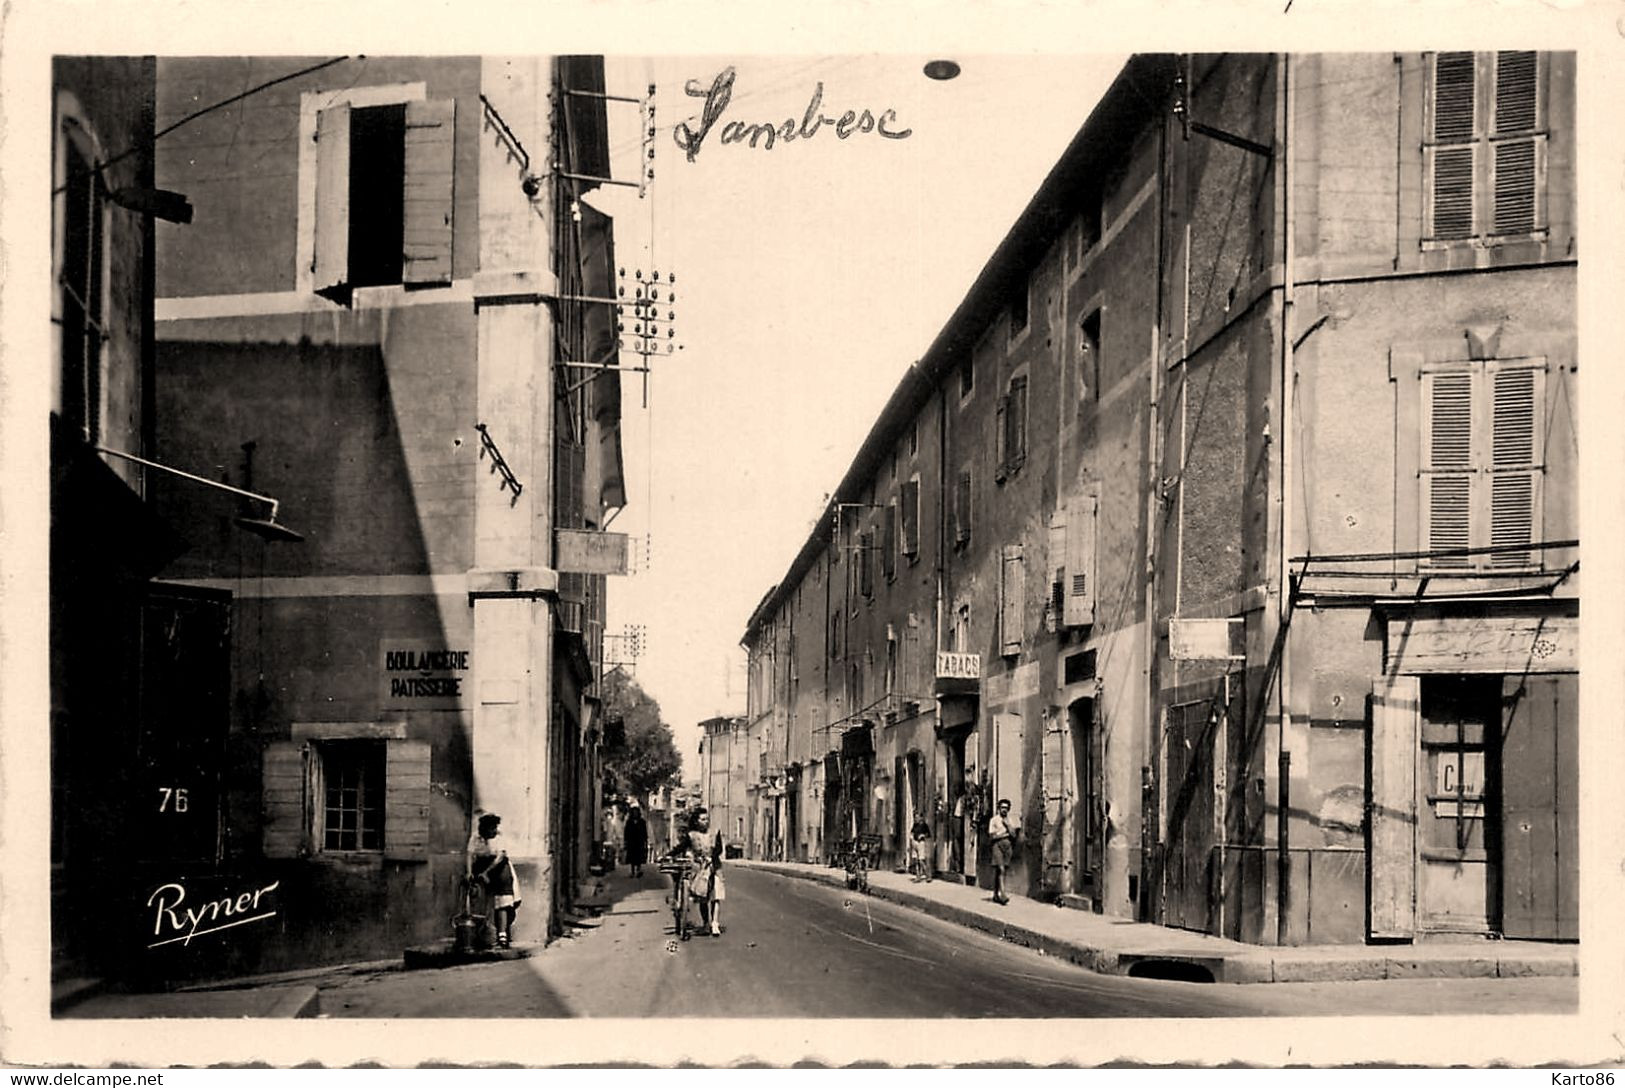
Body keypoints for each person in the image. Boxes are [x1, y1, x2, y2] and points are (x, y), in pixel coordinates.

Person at [467, 813, 523, 947]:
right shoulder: (476, 838)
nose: (493, 831)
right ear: (483, 828)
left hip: (499, 869)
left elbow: (499, 858)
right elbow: (469, 854)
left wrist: (486, 873)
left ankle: (502, 935)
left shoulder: (499, 838)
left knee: (502, 901)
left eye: (494, 828)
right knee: (477, 898)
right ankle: (477, 933)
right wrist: (469, 872)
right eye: (490, 828)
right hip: (481, 867)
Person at [683, 806, 726, 937]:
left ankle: (715, 923)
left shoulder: (714, 833)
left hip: (715, 867)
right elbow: (683, 847)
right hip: (700, 869)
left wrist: (712, 857)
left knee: (716, 895)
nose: (705, 821)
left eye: (707, 819)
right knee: (703, 897)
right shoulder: (692, 835)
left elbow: (719, 849)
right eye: (702, 819)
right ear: (696, 821)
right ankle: (706, 923)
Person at [987, 798, 1020, 906]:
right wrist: (1006, 834)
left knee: (1001, 870)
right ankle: (1003, 894)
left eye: (1006, 808)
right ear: (998, 808)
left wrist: (1008, 825)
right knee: (1000, 869)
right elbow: (992, 836)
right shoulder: (994, 820)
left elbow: (1014, 835)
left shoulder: (1010, 820)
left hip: (1008, 846)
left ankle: (996, 894)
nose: (1004, 810)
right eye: (1002, 808)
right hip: (997, 846)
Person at [624, 801, 649, 878]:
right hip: (631, 842)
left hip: (639, 842)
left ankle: (638, 870)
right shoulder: (629, 822)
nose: (635, 814)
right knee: (632, 857)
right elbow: (626, 832)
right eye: (633, 812)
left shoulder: (642, 822)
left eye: (636, 812)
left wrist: (645, 841)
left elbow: (644, 832)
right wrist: (626, 841)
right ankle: (632, 871)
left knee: (639, 857)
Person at [908, 816, 933, 881]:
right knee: (916, 861)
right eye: (915, 817)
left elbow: (928, 834)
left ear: (921, 818)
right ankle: (918, 876)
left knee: (921, 860)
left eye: (917, 817)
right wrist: (911, 839)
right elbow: (912, 832)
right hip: (914, 843)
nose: (916, 819)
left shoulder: (924, 825)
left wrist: (922, 835)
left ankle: (928, 875)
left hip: (921, 843)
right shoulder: (915, 825)